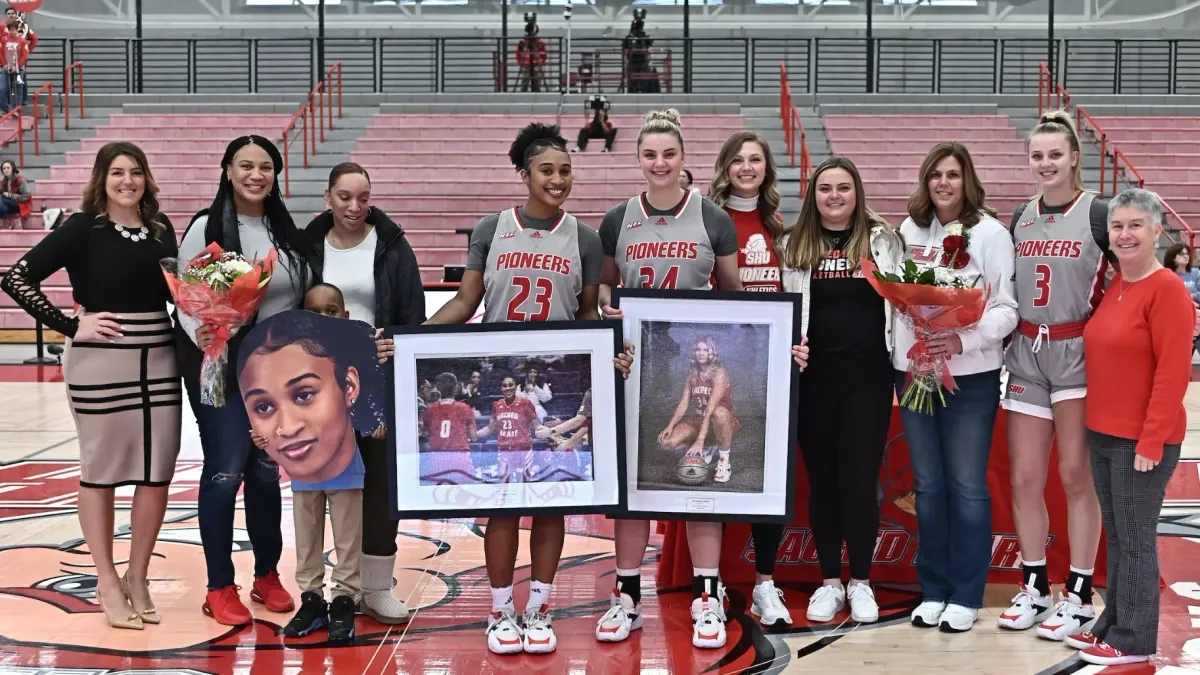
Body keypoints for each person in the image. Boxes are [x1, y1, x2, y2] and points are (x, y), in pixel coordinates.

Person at [427, 122, 632, 655]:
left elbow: (587, 313)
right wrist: (414, 343)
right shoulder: (491, 228)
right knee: (500, 505)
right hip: (502, 374)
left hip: (557, 377)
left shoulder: (585, 237)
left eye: (565, 170)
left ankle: (539, 607)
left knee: (550, 502)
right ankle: (500, 612)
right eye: (546, 170)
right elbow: (465, 303)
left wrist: (608, 352)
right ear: (524, 175)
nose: (558, 179)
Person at [0, 141, 180, 630]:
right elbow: (16, 278)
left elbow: (181, 296)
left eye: (136, 171)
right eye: (117, 172)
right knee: (100, 472)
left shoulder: (163, 231)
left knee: (156, 472)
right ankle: (105, 579)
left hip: (160, 358)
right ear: (101, 179)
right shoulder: (80, 228)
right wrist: (70, 325)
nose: (128, 181)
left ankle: (137, 575)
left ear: (146, 178)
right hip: (101, 361)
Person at [595, 108, 746, 650]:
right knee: (632, 482)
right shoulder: (617, 219)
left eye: (669, 154)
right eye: (650, 155)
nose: (660, 163)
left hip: (692, 363)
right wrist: (610, 310)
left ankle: (708, 593)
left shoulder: (712, 218)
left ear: (684, 159)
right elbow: (605, 291)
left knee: (699, 476)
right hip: (636, 364)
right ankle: (627, 594)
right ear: (638, 160)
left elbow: (735, 297)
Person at [174, 135, 313, 626]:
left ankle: (268, 574)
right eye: (246, 166)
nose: (257, 175)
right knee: (226, 467)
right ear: (228, 170)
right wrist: (213, 338)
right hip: (218, 367)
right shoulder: (205, 228)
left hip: (271, 374)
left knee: (265, 470)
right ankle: (218, 585)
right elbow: (188, 304)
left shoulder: (286, 231)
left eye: (266, 167)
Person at [893, 142, 1018, 632]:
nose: (943, 183)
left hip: (971, 378)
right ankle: (934, 589)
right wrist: (900, 350)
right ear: (925, 181)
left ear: (967, 179)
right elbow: (894, 296)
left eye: (952, 174)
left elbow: (1006, 310)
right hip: (914, 374)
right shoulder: (907, 230)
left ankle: (966, 593)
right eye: (935, 175)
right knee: (927, 486)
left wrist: (960, 341)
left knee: (967, 486)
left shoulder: (990, 234)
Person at [779, 156, 904, 625]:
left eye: (843, 188)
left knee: (858, 482)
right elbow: (782, 310)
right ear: (813, 195)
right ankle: (830, 582)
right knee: (824, 483)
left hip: (869, 380)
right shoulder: (793, 244)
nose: (834, 196)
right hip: (813, 381)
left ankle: (863, 582)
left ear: (858, 193)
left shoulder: (883, 240)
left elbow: (905, 301)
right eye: (825, 188)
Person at [999, 110, 1110, 640]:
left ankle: (1082, 592)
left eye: (1054, 154)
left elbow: (1132, 278)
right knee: (1023, 477)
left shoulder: (1098, 213)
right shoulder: (1019, 216)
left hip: (1076, 352)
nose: (1045, 163)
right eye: (1037, 156)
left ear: (1074, 158)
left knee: (1074, 475)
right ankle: (1036, 584)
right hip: (1026, 351)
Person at [1074, 188, 1192, 665]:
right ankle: (1114, 620)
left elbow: (1172, 371)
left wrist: (1152, 437)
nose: (1124, 234)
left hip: (1140, 440)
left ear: (1156, 231)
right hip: (1102, 432)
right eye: (1117, 226)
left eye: (1135, 225)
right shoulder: (1116, 288)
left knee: (1137, 538)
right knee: (1119, 536)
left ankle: (1134, 638)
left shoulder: (1167, 290)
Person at [305, 161, 425, 625]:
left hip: (376, 375)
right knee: (322, 484)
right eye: (344, 197)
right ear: (328, 198)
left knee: (379, 480)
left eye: (362, 197)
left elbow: (412, 311)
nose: (354, 207)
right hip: (319, 381)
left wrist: (395, 343)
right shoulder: (306, 245)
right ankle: (327, 590)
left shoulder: (392, 245)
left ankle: (376, 587)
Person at [243, 295, 385, 643]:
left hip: (347, 466)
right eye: (315, 312)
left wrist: (376, 421)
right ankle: (311, 598)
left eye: (331, 312)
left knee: (348, 536)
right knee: (306, 537)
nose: (324, 319)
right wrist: (261, 432)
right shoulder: (288, 363)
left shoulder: (353, 359)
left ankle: (343, 600)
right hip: (303, 475)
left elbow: (371, 401)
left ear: (345, 314)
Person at [706, 130, 792, 625]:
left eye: (755, 159)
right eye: (737, 159)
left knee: (766, 475)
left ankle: (765, 583)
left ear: (766, 168)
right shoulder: (708, 219)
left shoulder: (778, 225)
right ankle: (709, 583)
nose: (746, 167)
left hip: (769, 367)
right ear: (725, 166)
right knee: (716, 466)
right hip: (720, 366)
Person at [476, 375, 540, 481]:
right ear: (501, 389)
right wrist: (474, 435)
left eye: (511, 385)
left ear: (515, 386)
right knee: (504, 483)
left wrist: (553, 431)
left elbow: (536, 425)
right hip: (505, 450)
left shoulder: (525, 403)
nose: (508, 388)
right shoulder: (496, 405)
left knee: (526, 484)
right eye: (504, 386)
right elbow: (490, 428)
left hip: (523, 450)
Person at [0, 19, 27, 113]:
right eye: (10, 30)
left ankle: (16, 109)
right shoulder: (4, 40)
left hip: (19, 69)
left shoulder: (22, 41)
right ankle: (4, 109)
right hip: (6, 67)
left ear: (17, 29)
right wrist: (5, 65)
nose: (12, 32)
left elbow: (24, 55)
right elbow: (1, 53)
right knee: (2, 88)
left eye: (13, 30)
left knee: (18, 89)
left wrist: (17, 66)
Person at [0, 159, 31, 229]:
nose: (6, 170)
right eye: (4, 169)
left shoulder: (20, 180)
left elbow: (26, 196)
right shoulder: (4, 181)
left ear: (13, 168)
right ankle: (2, 212)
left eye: (8, 168)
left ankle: (2, 213)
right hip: (7, 204)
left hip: (20, 205)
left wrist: (10, 195)